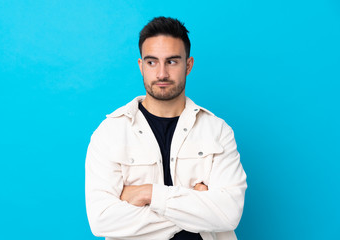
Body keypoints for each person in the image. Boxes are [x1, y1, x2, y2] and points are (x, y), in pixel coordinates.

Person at [85, 16, 247, 240]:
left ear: (188, 65)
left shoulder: (217, 131)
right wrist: (194, 204)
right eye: (152, 62)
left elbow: (228, 214)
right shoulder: (109, 134)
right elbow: (101, 220)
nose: (161, 73)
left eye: (172, 61)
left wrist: (148, 194)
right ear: (141, 66)